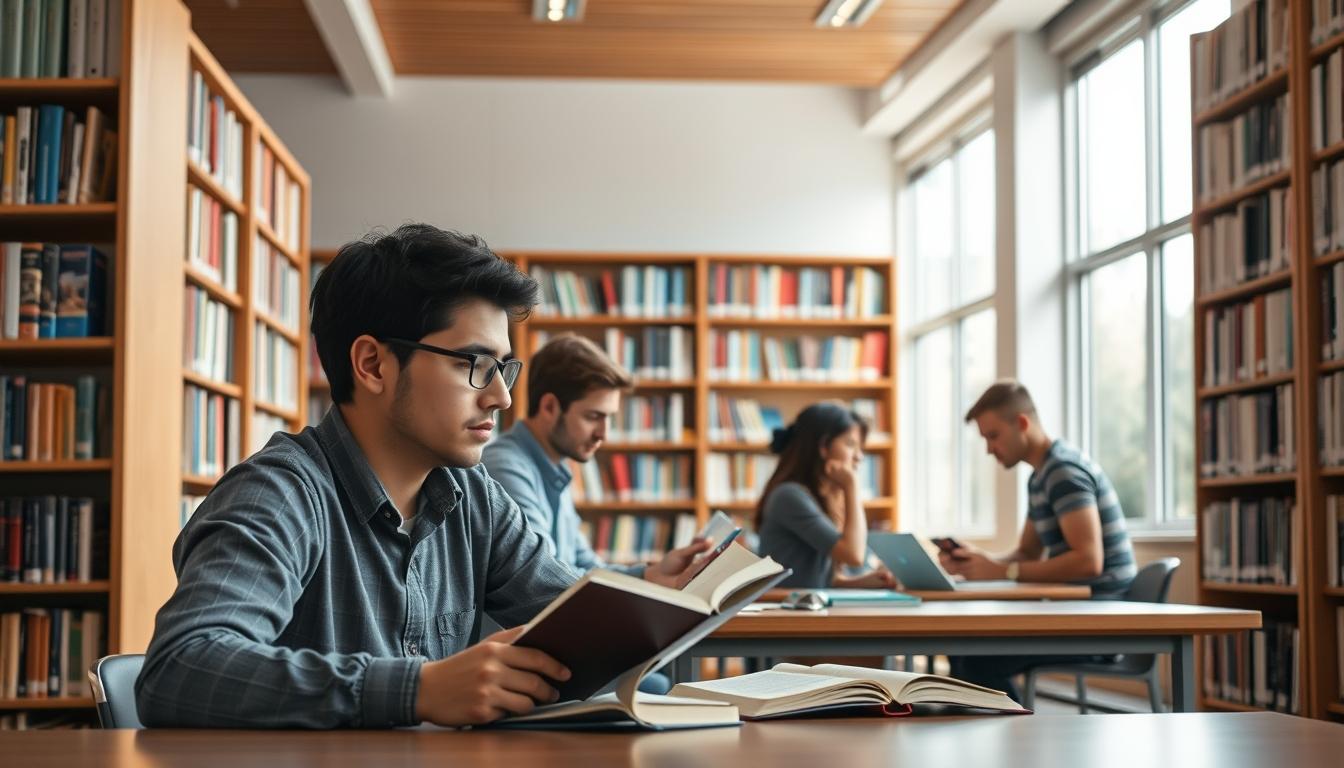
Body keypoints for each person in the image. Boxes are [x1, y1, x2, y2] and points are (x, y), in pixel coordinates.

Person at [135, 224, 702, 728]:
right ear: (373, 365)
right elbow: (181, 668)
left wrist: (694, 601)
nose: (502, 397)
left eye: (504, 368)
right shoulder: (280, 495)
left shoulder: (474, 499)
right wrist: (418, 689)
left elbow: (573, 620)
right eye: (474, 364)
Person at [479, 335, 709, 693]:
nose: (604, 434)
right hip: (524, 660)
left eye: (610, 418)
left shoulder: (556, 469)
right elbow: (543, 577)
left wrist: (649, 574)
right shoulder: (507, 468)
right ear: (550, 406)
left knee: (659, 678)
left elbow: (584, 566)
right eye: (593, 417)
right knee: (658, 686)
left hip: (559, 648)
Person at [944, 379, 1138, 700]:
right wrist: (980, 561)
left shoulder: (1063, 472)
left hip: (1102, 618)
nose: (989, 449)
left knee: (976, 660)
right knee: (961, 649)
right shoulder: (1040, 477)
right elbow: (1027, 553)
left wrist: (1002, 571)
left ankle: (1016, 730)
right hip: (1079, 610)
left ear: (1022, 423)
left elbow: (1089, 561)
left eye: (993, 436)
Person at [754, 402, 895, 590]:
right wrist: (851, 486)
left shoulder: (822, 496)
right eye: (850, 444)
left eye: (860, 448)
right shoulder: (789, 496)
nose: (859, 456)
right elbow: (854, 555)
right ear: (824, 447)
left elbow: (821, 579)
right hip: (787, 607)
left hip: (808, 603)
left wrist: (862, 582)